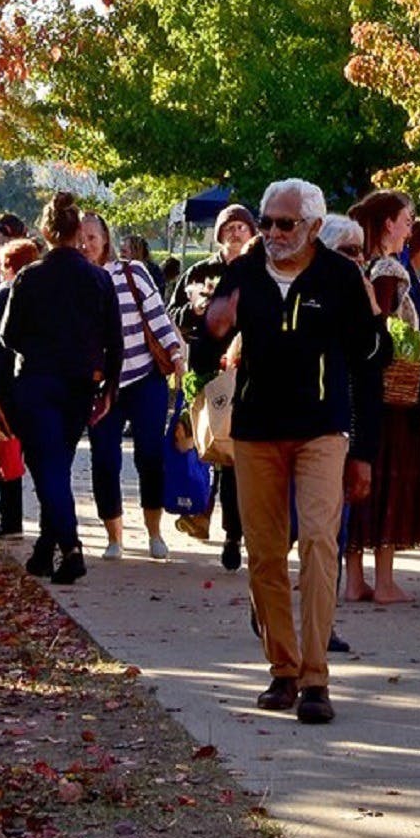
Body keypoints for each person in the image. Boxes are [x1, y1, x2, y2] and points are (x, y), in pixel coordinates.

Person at [204, 178, 382, 726]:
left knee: (320, 544)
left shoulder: (340, 276)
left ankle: (315, 677)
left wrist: (364, 451)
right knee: (263, 552)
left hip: (320, 429)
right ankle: (281, 669)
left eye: (285, 223)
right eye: (266, 221)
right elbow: (207, 333)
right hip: (257, 428)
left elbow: (370, 364)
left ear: (311, 225)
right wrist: (211, 326)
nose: (273, 233)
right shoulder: (243, 271)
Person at [0, 193, 124, 583]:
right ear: (75, 233)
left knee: (48, 468)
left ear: (47, 231)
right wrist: (109, 388)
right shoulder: (99, 278)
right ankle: (43, 550)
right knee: (58, 465)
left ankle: (70, 548)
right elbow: (115, 340)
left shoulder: (30, 277)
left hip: (37, 380)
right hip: (79, 384)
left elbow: (8, 334)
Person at [77, 213, 188, 561]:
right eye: (79, 238)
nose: (85, 244)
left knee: (150, 456)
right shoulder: (74, 281)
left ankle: (155, 533)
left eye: (92, 237)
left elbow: (157, 314)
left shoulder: (131, 272)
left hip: (144, 378)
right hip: (100, 386)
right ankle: (115, 537)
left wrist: (175, 352)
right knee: (105, 459)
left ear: (106, 239)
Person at [346, 250, 420, 605]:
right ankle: (384, 581)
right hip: (392, 415)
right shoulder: (385, 307)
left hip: (360, 412)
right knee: (388, 490)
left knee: (359, 492)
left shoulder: (354, 308)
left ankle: (354, 582)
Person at [182, 204, 258, 571]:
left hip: (246, 371)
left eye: (243, 226)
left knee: (233, 457)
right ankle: (194, 512)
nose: (236, 232)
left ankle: (233, 533)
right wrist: (196, 311)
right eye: (230, 227)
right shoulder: (201, 271)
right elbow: (176, 316)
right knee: (204, 448)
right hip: (208, 370)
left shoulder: (258, 269)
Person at [0, 237, 42, 537]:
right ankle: (49, 521)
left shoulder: (1, 295)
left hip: (5, 386)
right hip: (38, 385)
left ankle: (11, 519)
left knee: (5, 451)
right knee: (38, 458)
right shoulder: (44, 297)